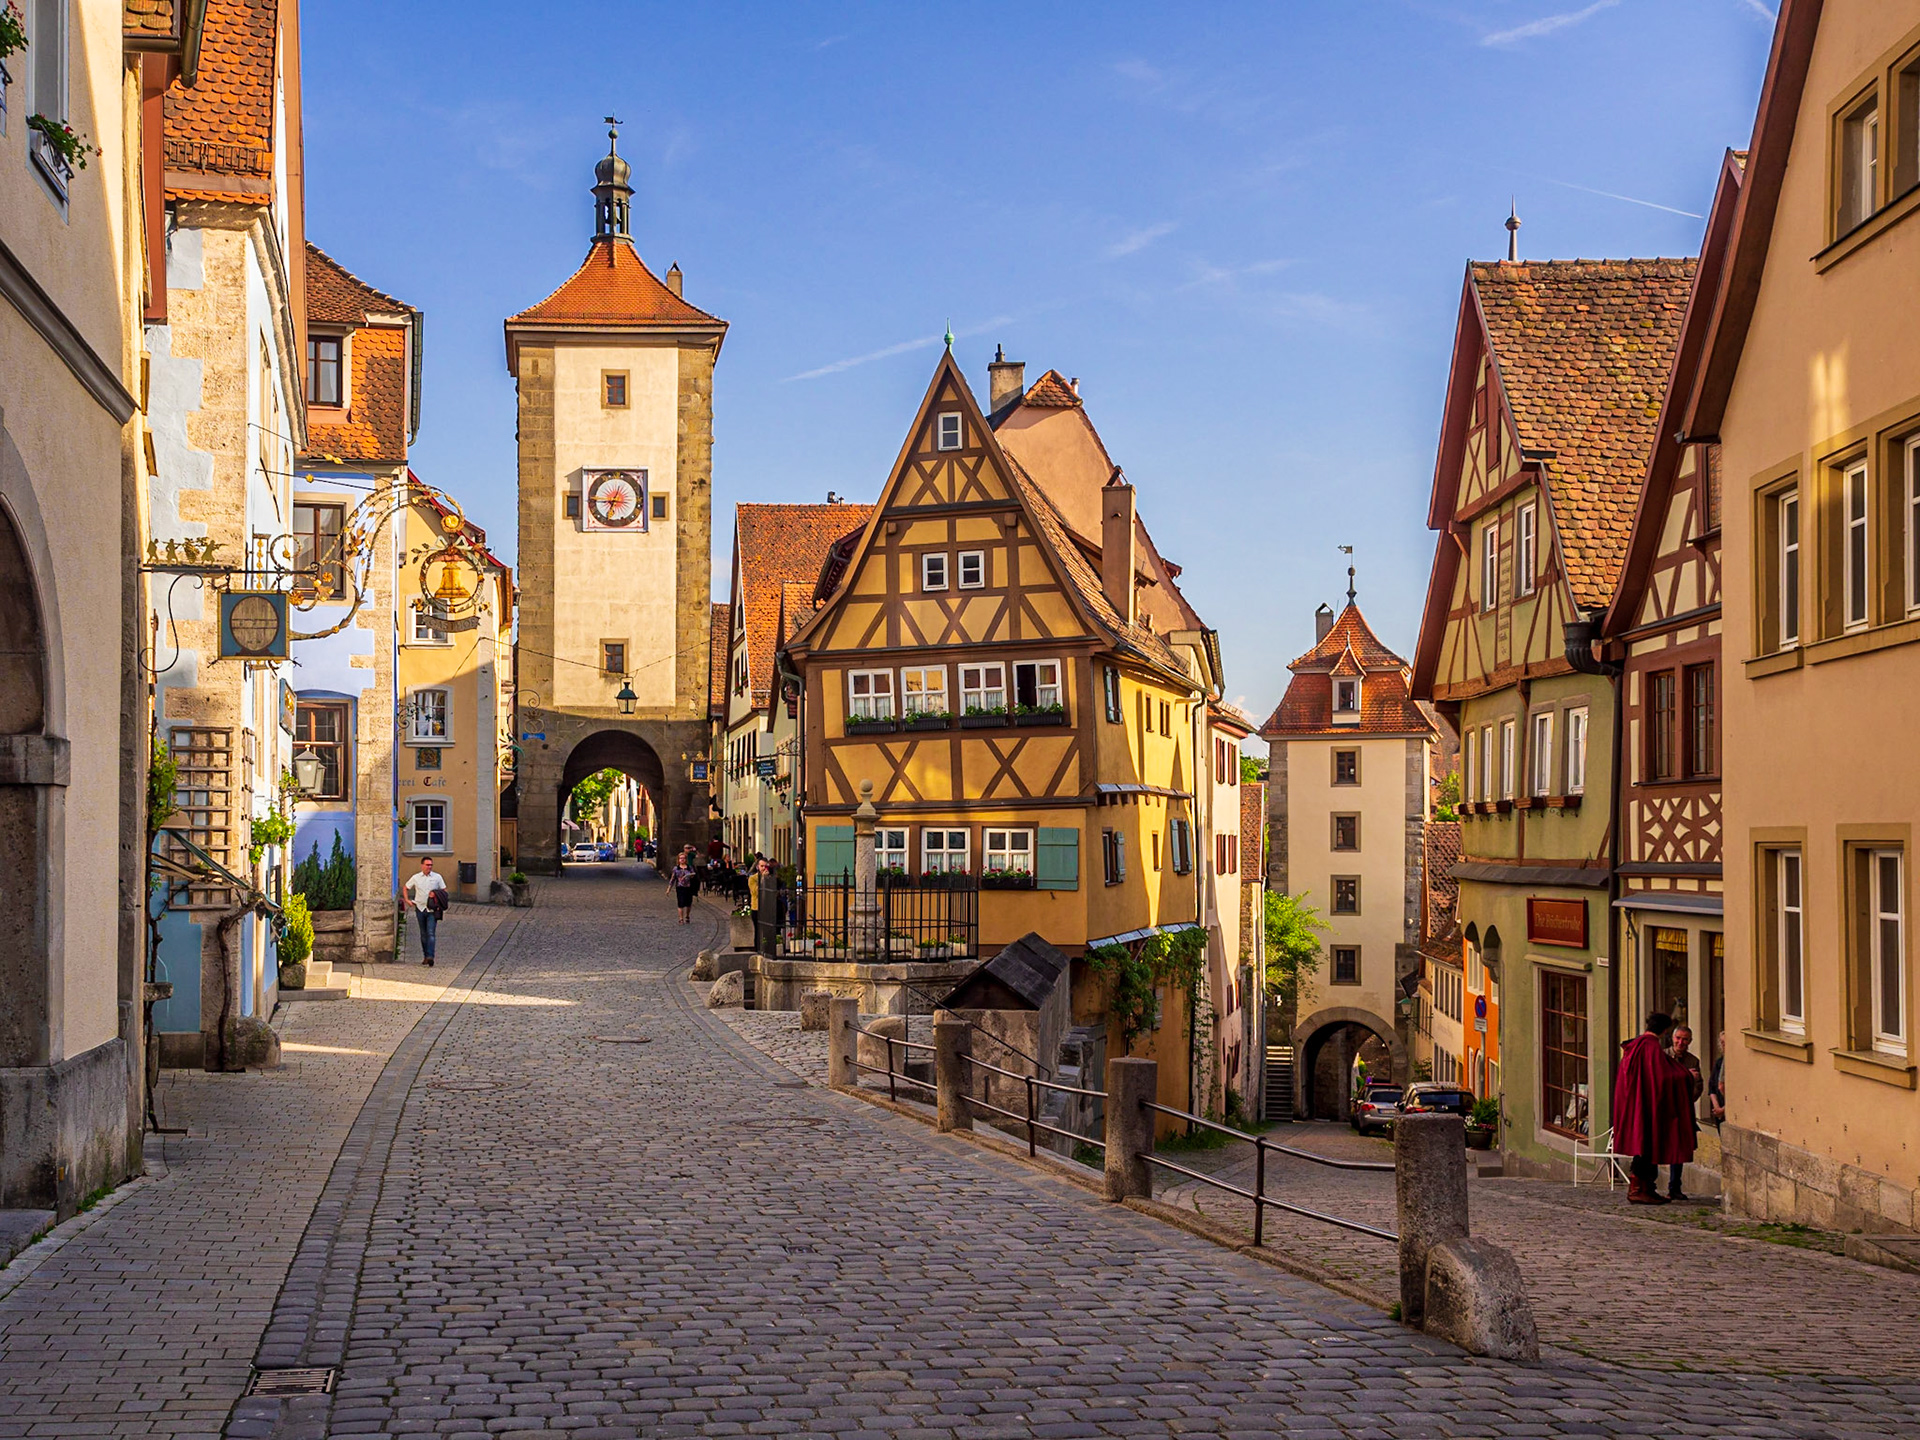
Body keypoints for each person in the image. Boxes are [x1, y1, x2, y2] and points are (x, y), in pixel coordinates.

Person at [1612, 1011, 1696, 1205]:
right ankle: (1638, 1190)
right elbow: (1663, 1077)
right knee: (1646, 1149)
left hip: (1637, 1105)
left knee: (1644, 1149)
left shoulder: (1637, 1045)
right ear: (1665, 1031)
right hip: (1647, 1108)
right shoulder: (1650, 1048)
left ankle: (1646, 1188)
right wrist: (1687, 1076)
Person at [1667, 1025, 1705, 1201]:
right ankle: (1647, 1184)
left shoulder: (1692, 1061)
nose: (1681, 1042)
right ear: (1673, 1038)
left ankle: (1675, 1186)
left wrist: (1688, 1093)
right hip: (1664, 1110)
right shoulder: (1663, 1057)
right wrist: (1686, 1076)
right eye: (1678, 1038)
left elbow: (1698, 1088)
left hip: (1682, 1111)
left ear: (1690, 1042)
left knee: (1679, 1150)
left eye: (1685, 1039)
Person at [403, 857, 448, 967]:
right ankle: (425, 956)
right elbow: (405, 887)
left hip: (432, 909)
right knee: (423, 934)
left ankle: (430, 956)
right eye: (427, 865)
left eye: (431, 865)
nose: (429, 867)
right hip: (420, 908)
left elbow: (444, 891)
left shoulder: (437, 877)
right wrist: (407, 900)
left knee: (431, 933)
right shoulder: (416, 877)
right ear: (422, 865)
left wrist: (435, 894)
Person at [669, 851, 698, 924]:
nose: (682, 860)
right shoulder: (676, 868)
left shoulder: (689, 867)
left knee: (688, 903)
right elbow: (673, 878)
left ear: (686, 859)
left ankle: (687, 916)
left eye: (683, 858)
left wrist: (689, 875)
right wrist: (669, 888)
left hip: (688, 887)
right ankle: (681, 918)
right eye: (680, 858)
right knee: (680, 903)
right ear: (678, 860)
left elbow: (693, 874)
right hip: (680, 887)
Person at [1708, 1030, 1727, 1126]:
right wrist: (1717, 1107)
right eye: (1722, 1043)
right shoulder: (1719, 1062)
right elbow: (1712, 1087)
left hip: (1728, 1110)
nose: (1724, 1045)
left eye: (1726, 1042)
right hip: (1719, 1112)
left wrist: (1724, 1109)